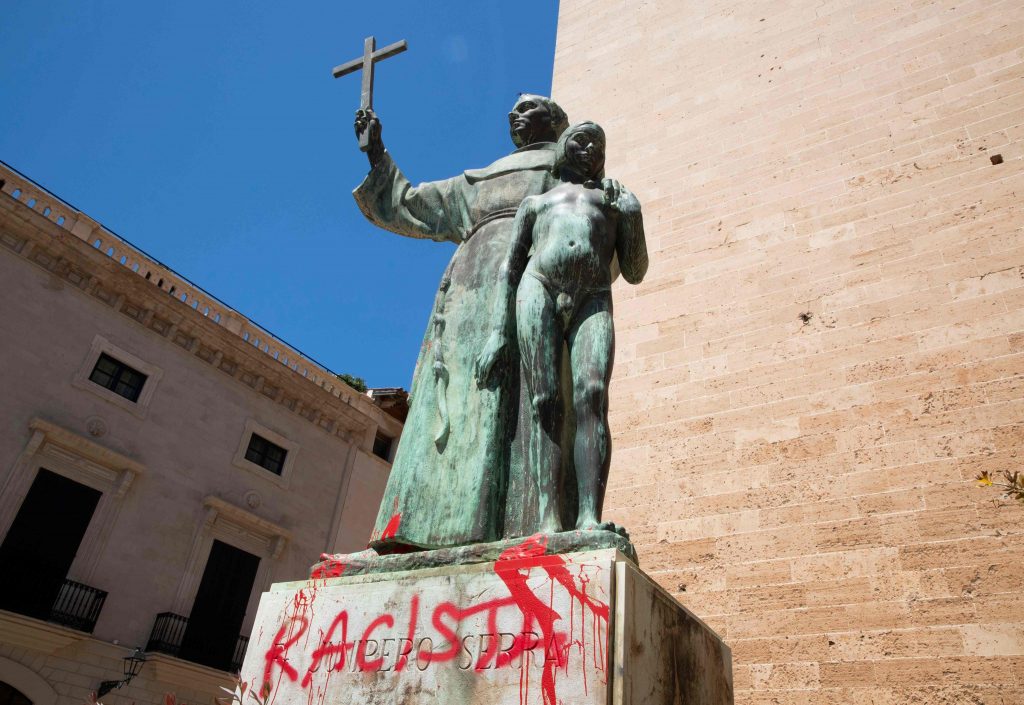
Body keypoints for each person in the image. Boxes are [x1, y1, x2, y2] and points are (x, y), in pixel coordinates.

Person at [351, 95, 572, 550]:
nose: (514, 115)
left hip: (530, 282)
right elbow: (411, 205)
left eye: (527, 109)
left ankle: (505, 528)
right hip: (466, 290)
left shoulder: (565, 169)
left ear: (552, 121)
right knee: (448, 394)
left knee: (516, 400)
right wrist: (377, 152)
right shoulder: (477, 181)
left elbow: (590, 223)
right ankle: (420, 530)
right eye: (511, 110)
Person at [475, 122, 648, 533]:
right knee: (546, 401)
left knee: (592, 395)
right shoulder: (536, 203)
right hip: (539, 288)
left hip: (593, 294)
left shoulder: (611, 200)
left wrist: (633, 216)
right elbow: (510, 268)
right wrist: (499, 333)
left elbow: (636, 270)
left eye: (597, 144)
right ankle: (548, 518)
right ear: (563, 147)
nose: (588, 147)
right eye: (580, 139)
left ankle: (589, 516)